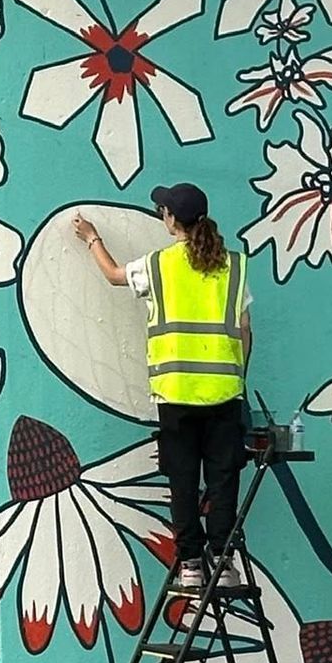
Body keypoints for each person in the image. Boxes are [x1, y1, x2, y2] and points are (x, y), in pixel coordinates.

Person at [74, 183, 251, 593]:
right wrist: (236, 376)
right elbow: (244, 329)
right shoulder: (234, 266)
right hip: (224, 392)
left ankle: (190, 563)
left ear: (171, 219)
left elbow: (114, 276)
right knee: (224, 480)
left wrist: (92, 238)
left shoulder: (158, 265)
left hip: (175, 393)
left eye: (163, 211)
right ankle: (223, 562)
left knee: (182, 481)